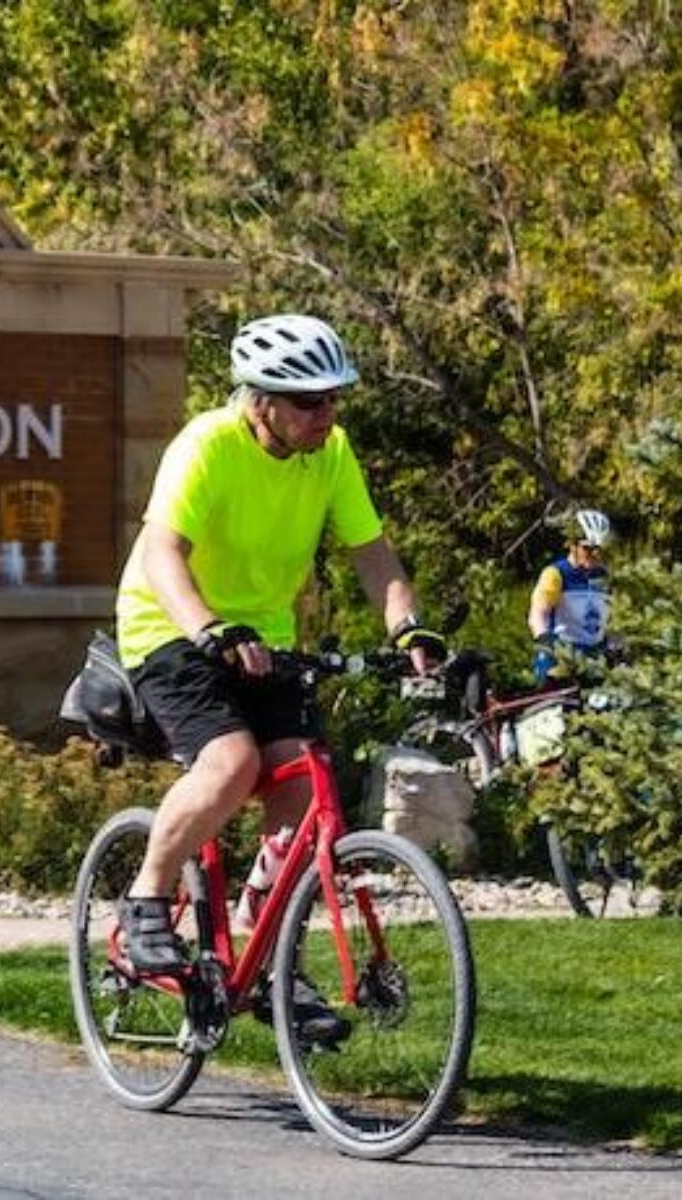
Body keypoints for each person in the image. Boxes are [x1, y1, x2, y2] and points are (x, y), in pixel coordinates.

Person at [112, 313, 444, 1042]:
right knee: (231, 763)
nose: (327, 414)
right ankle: (145, 902)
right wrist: (210, 628)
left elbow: (374, 555)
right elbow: (162, 553)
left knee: (300, 779)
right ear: (261, 401)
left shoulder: (332, 453)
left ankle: (271, 957)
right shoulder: (208, 444)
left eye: (333, 399)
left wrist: (408, 628)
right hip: (171, 626)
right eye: (309, 402)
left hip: (267, 639)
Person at [528, 508, 613, 684]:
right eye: (587, 548)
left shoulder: (604, 577)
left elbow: (612, 618)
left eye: (599, 549)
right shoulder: (556, 574)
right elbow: (538, 613)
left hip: (596, 657)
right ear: (572, 545)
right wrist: (543, 638)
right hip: (561, 656)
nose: (594, 555)